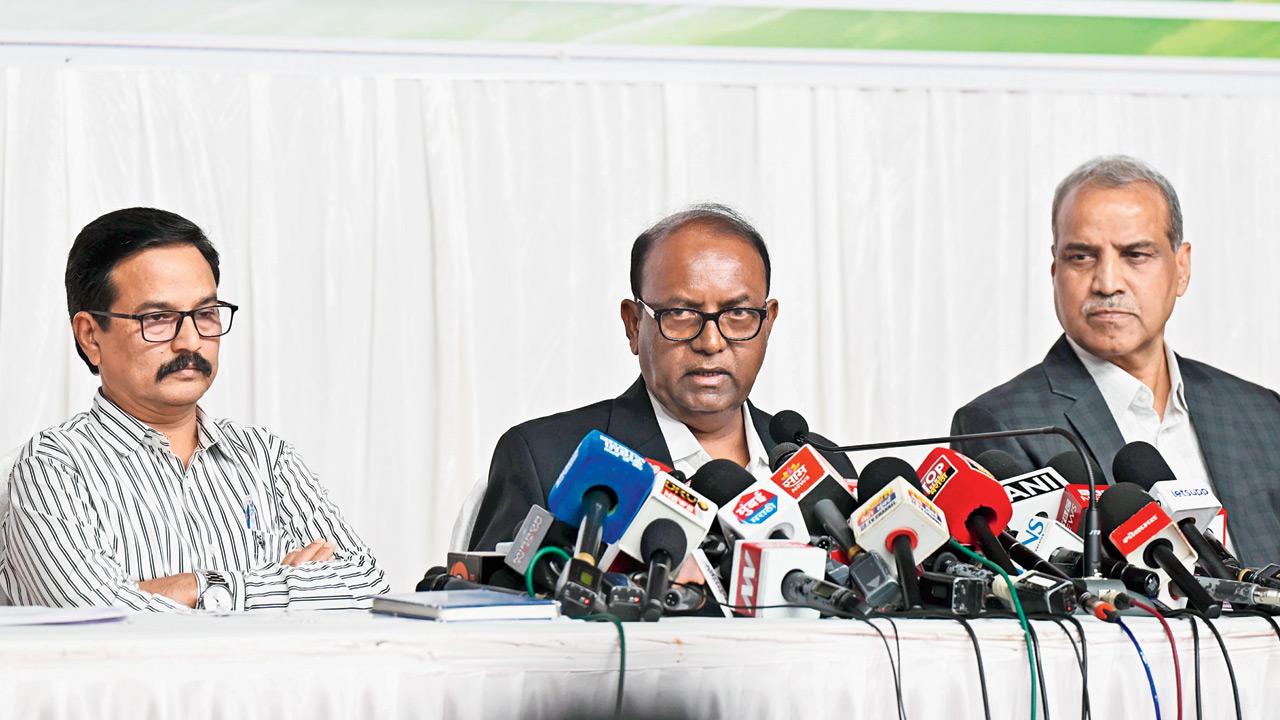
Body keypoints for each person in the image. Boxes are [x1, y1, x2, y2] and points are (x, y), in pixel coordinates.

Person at [0, 208, 390, 610]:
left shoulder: (264, 457)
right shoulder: (54, 468)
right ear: (90, 336)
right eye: (158, 318)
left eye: (205, 314)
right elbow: (100, 620)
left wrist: (200, 588)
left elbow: (367, 586)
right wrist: (283, 585)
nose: (190, 341)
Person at [951, 156, 1280, 565]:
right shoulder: (999, 426)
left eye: (1135, 255)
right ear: (1055, 270)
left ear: (1181, 268)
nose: (1107, 283)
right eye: (1082, 257)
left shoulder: (1263, 414)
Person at [469, 204, 854, 551]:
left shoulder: (821, 468)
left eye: (738, 314)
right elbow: (488, 612)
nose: (710, 342)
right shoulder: (545, 459)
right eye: (680, 314)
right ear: (634, 325)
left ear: (767, 322)